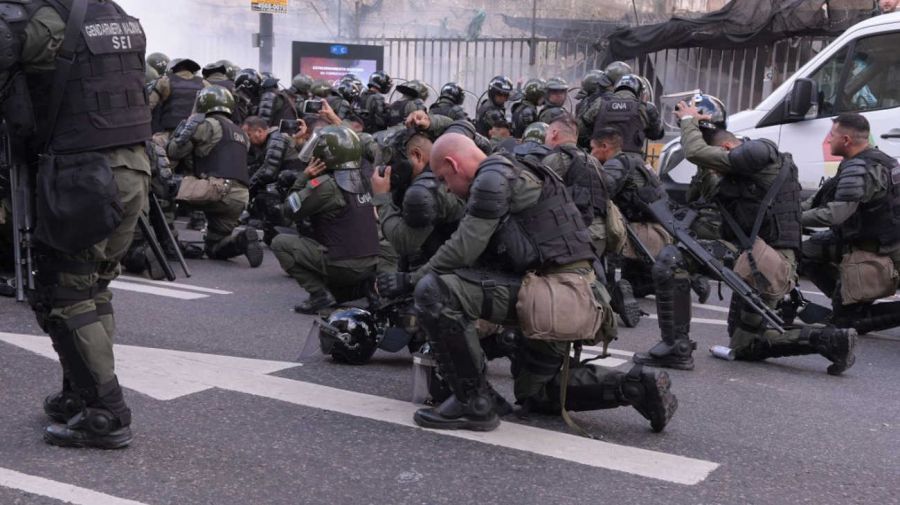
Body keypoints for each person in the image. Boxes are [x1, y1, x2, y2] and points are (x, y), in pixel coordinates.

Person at [376, 133, 678, 433]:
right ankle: (635, 386)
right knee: (537, 394)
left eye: (444, 179)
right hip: (574, 297)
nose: (445, 188)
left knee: (435, 291)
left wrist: (410, 280)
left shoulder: (492, 178)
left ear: (453, 164)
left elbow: (464, 247)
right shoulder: (514, 171)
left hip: (555, 297)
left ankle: (474, 402)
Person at [3, 0, 153, 448]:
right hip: (133, 166)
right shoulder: (113, 14)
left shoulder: (32, 19)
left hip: (82, 173)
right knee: (93, 287)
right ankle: (79, 394)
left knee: (65, 291)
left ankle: (106, 412)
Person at [633, 98, 856, 375]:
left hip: (766, 263)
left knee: (672, 259)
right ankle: (830, 340)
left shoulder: (760, 152)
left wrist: (689, 122)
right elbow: (701, 201)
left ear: (727, 148)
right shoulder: (742, 175)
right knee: (745, 343)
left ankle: (675, 348)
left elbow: (697, 153)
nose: (717, 169)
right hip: (758, 259)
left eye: (718, 161)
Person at [801, 113, 900, 335]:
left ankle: (851, 306)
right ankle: (848, 296)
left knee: (846, 322)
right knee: (803, 251)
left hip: (876, 249)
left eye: (832, 135)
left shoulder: (860, 169)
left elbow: (833, 215)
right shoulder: (868, 160)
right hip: (861, 239)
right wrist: (789, 211)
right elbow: (820, 199)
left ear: (846, 140)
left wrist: (791, 220)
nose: (828, 140)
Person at [272, 125, 380, 313]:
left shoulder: (326, 186)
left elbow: (289, 210)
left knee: (280, 243)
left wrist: (303, 178)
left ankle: (319, 295)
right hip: (370, 262)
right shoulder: (363, 179)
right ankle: (364, 287)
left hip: (344, 263)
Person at [166, 86, 263, 268]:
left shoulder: (206, 125)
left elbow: (174, 151)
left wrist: (183, 130)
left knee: (163, 188)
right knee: (215, 246)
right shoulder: (242, 133)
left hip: (214, 189)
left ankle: (169, 244)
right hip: (240, 197)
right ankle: (241, 240)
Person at [592, 74, 664, 163]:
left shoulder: (599, 104)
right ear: (639, 91)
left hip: (601, 161)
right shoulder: (645, 108)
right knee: (652, 176)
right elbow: (657, 134)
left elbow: (582, 131)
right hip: (633, 163)